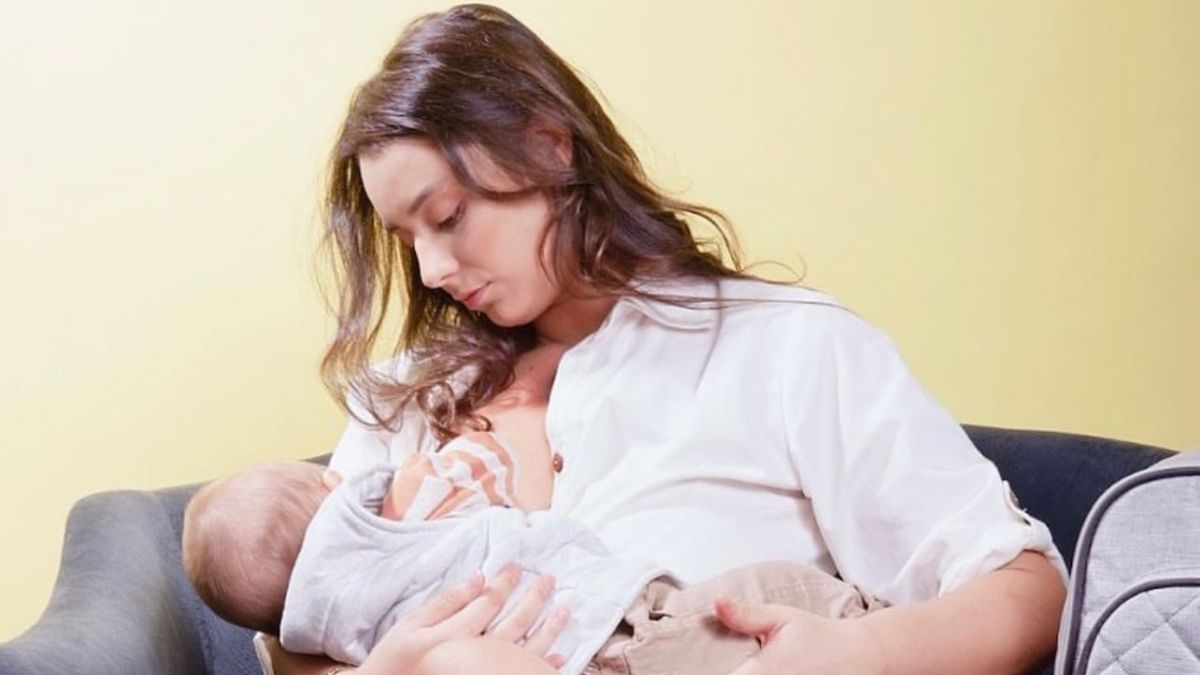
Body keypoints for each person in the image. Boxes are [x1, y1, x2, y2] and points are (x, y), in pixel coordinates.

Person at [266, 3, 1069, 674]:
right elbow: (308, 618)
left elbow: (1026, 590)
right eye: (407, 239)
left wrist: (861, 653)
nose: (433, 269)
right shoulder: (404, 403)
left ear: (548, 144)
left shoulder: (785, 350)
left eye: (447, 216)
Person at [183, 350, 887, 675]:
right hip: (620, 628)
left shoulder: (314, 630)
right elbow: (477, 472)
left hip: (593, 643)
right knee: (769, 595)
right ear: (329, 492)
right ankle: (871, 618)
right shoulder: (397, 491)